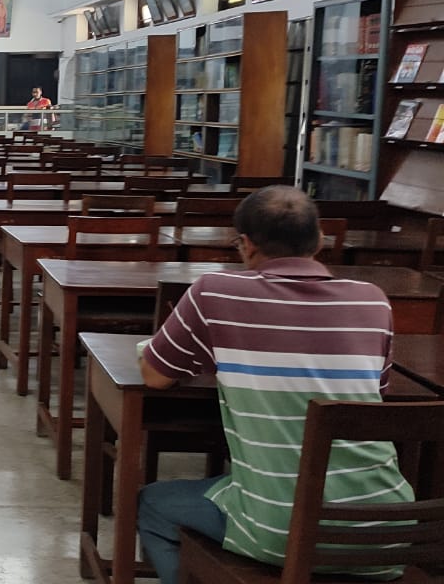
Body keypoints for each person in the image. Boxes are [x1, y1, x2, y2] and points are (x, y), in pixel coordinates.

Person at [136, 186, 411, 584]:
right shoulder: (373, 301)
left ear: (245, 245)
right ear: (320, 241)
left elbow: (155, 375)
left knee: (153, 504)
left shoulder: (215, 292)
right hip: (389, 530)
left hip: (281, 532)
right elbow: (374, 399)